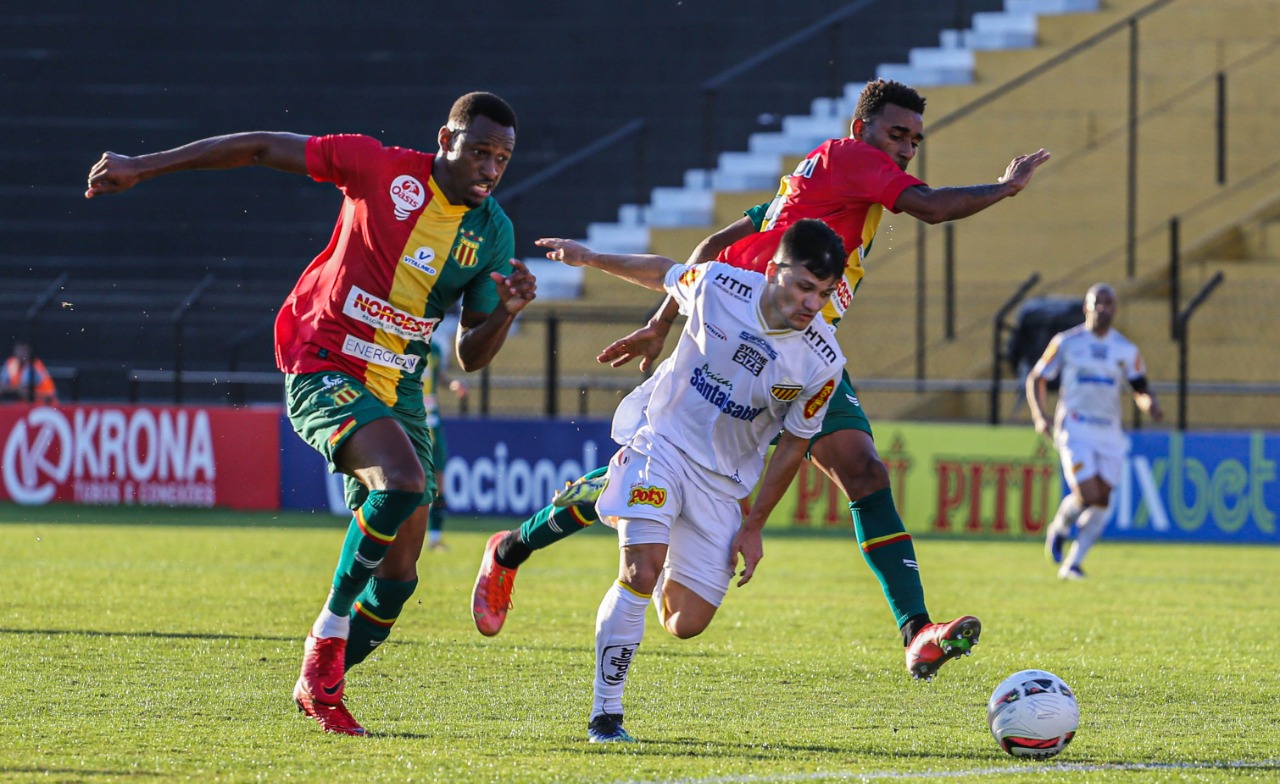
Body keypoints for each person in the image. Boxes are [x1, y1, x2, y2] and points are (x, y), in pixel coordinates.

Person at [473, 79, 1049, 681]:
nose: (905, 150)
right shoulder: (851, 160)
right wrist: (1006, 188)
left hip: (801, 351)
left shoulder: (823, 184)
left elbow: (720, 241)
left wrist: (660, 322)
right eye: (895, 135)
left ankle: (917, 632)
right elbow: (929, 207)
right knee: (656, 469)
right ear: (862, 131)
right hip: (735, 338)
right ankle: (512, 548)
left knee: (864, 471)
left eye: (914, 141)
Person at [86, 91, 537, 736]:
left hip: (400, 387)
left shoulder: (492, 232)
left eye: (503, 158)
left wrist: (506, 313)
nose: (492, 168)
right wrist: (143, 164)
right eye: (481, 152)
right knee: (404, 485)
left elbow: (468, 353)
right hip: (324, 359)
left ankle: (321, 681)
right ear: (446, 140)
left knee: (402, 572)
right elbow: (262, 146)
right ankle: (326, 636)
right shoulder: (377, 169)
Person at [537, 219, 849, 743]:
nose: (810, 303)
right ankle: (605, 716)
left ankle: (621, 500)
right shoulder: (720, 286)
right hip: (661, 443)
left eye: (822, 293)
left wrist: (753, 525)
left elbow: (794, 444)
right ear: (774, 271)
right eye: (802, 286)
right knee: (639, 571)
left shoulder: (823, 362)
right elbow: (663, 272)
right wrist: (589, 258)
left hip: (721, 485)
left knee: (684, 623)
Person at [1026, 283, 1162, 580]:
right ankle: (1060, 528)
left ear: (1115, 309)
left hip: (1109, 432)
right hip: (1075, 426)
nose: (1103, 308)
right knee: (1086, 492)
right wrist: (1040, 415)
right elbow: (1036, 377)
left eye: (1109, 303)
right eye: (1097, 302)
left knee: (1102, 500)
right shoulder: (1066, 342)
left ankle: (1072, 564)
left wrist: (1148, 404)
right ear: (1086, 307)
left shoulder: (1126, 350)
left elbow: (1140, 387)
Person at [423, 337, 468, 551]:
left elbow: (435, 374)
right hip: (406, 414)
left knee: (439, 480)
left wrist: (451, 383)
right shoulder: (399, 337)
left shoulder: (436, 348)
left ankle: (435, 537)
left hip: (432, 418)